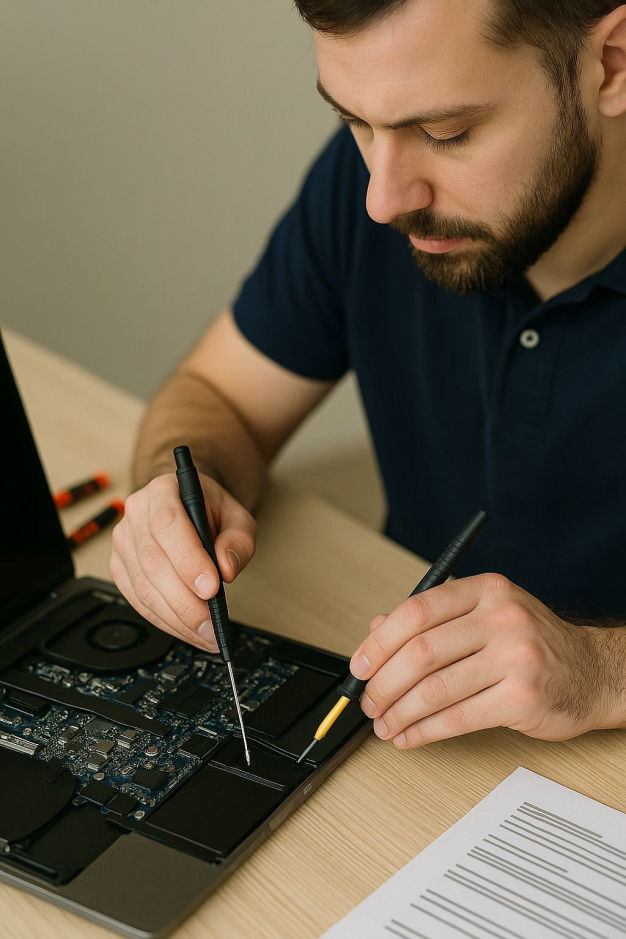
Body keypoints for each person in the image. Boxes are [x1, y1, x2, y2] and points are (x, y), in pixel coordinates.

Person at [110, 0, 626, 750]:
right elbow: (219, 399)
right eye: (354, 123)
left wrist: (599, 670)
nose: (383, 199)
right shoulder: (392, 191)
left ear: (610, 63)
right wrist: (176, 495)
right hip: (416, 737)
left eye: (447, 133)